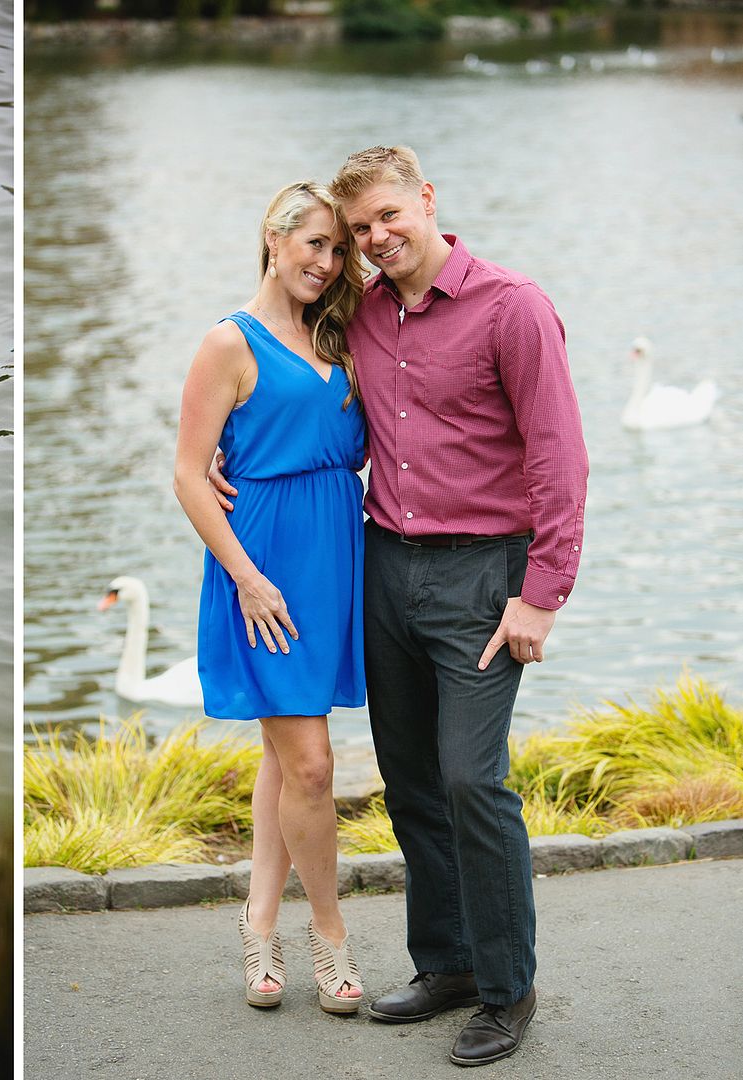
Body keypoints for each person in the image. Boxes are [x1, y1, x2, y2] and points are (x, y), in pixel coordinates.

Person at [213, 147, 588, 1066]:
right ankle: (446, 964)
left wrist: (540, 595)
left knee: (471, 776)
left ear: (426, 200)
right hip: (382, 565)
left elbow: (559, 460)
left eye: (389, 216)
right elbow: (287, 387)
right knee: (412, 779)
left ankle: (506, 989)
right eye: (361, 229)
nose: (376, 239)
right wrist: (224, 455)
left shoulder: (512, 306)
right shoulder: (363, 315)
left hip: (481, 576)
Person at [173, 181, 368, 1016]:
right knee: (314, 768)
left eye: (336, 250)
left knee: (285, 758)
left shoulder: (339, 333)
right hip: (264, 576)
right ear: (273, 238)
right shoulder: (229, 341)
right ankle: (328, 937)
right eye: (313, 245)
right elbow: (187, 473)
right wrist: (246, 576)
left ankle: (257, 924)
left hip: (335, 562)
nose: (325, 263)